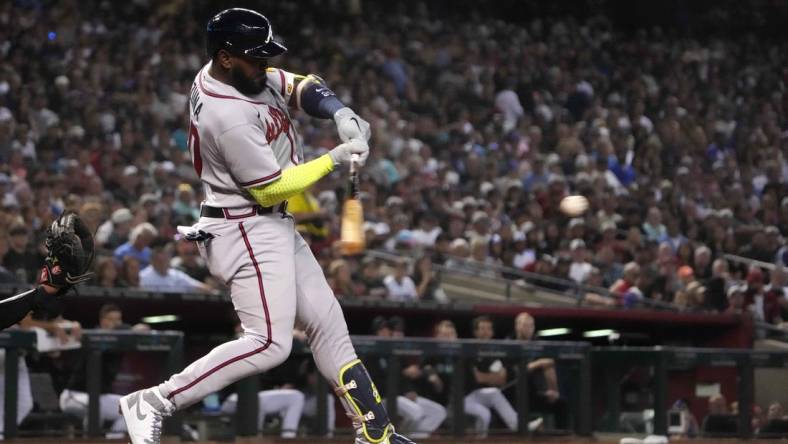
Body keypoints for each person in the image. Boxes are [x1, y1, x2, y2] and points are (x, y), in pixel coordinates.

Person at [118, 9, 413, 444]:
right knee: (270, 343)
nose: (266, 65)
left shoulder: (241, 73)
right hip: (244, 227)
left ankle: (375, 434)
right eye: (256, 58)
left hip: (267, 226)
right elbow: (271, 190)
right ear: (225, 57)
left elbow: (299, 85)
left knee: (329, 324)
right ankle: (156, 400)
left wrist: (339, 111)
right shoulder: (226, 113)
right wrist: (334, 158)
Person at [59, 305, 148, 439]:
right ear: (102, 321)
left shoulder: (121, 338)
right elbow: (116, 333)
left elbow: (143, 328)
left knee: (136, 409)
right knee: (95, 409)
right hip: (74, 395)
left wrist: (135, 329)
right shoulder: (93, 335)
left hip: (100, 396)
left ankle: (111, 440)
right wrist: (131, 330)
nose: (115, 323)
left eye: (118, 320)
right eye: (111, 319)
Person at [465, 316, 519, 437]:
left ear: (492, 332)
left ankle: (519, 426)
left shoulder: (494, 352)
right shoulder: (469, 350)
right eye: (482, 329)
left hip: (478, 395)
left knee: (495, 393)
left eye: (488, 329)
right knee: (484, 413)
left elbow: (502, 380)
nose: (486, 332)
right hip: (462, 397)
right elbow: (479, 378)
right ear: (475, 332)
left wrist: (488, 377)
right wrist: (492, 377)